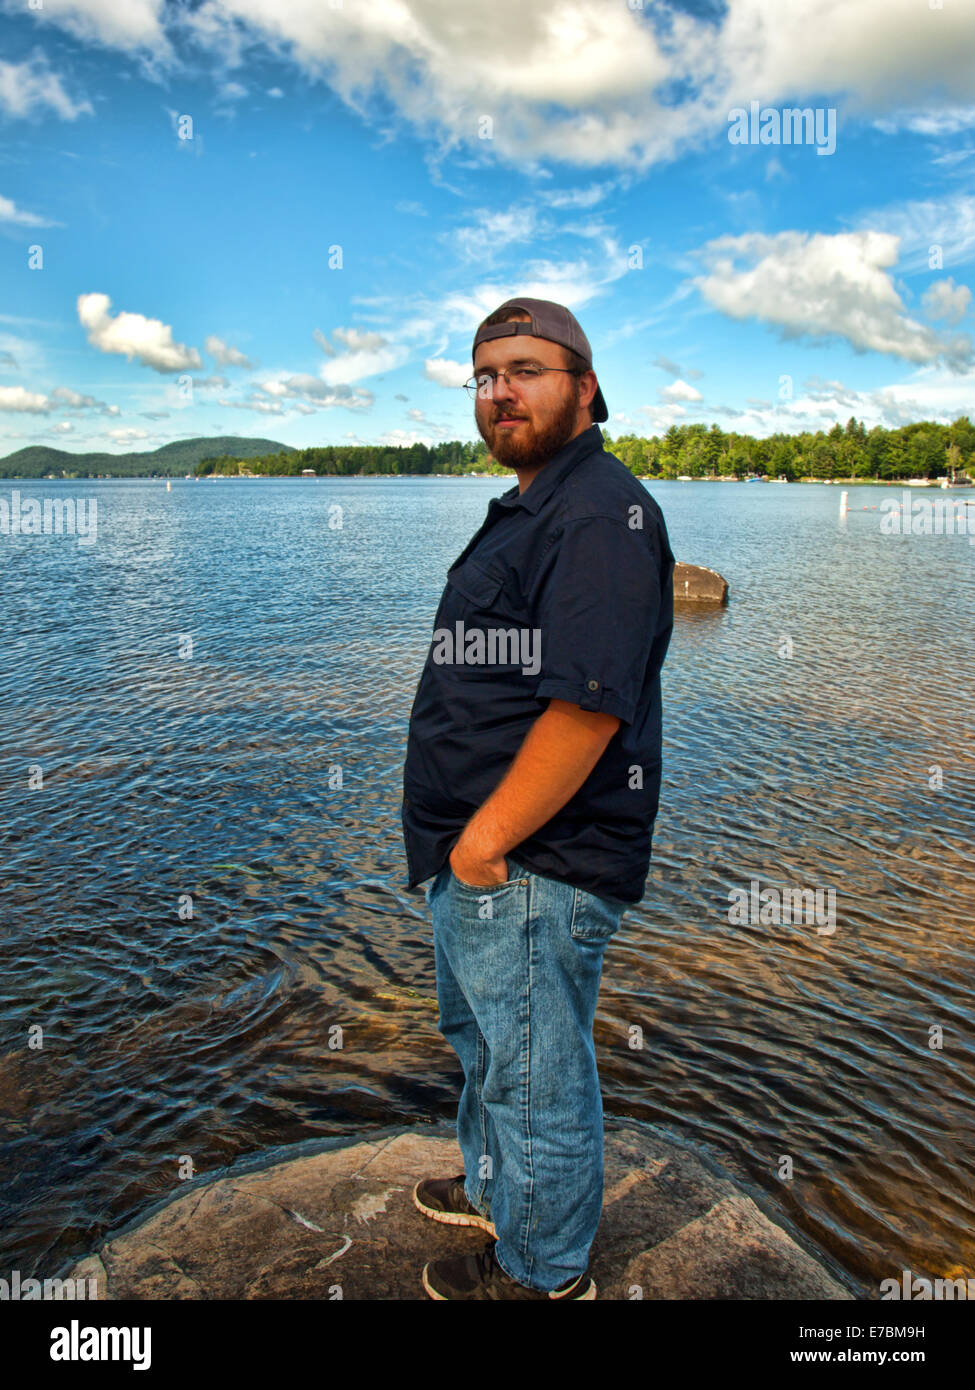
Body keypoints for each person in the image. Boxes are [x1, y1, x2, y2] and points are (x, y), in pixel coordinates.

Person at [401, 296, 674, 1299]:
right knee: (489, 1050)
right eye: (483, 375)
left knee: (535, 1079)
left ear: (587, 387)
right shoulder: (542, 502)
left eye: (524, 368)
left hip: (528, 864)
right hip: (487, 860)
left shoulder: (598, 510)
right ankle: (495, 1190)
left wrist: (481, 847)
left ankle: (544, 1271)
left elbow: (585, 710)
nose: (499, 391)